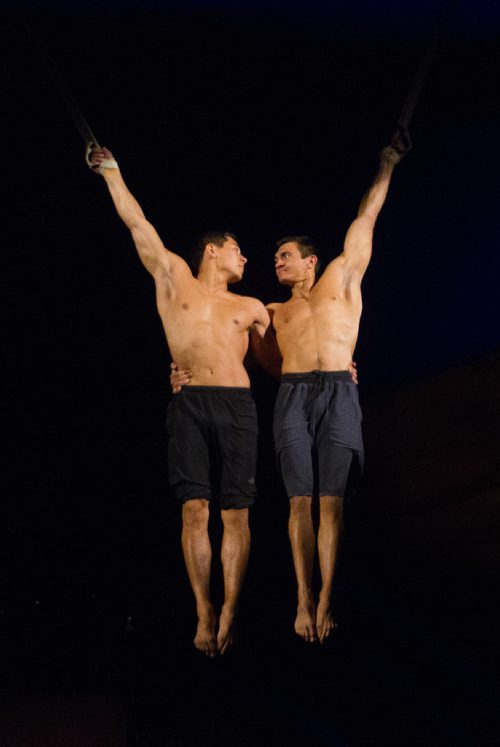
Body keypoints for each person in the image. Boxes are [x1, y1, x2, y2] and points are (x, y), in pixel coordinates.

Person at [170, 133, 409, 644]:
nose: (275, 262)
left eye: (284, 257)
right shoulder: (272, 313)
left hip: (337, 392)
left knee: (332, 500)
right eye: (274, 257)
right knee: (299, 500)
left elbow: (366, 219)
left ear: (310, 261)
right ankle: (303, 596)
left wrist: (386, 164)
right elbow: (240, 357)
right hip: (294, 395)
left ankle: (328, 596)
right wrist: (181, 371)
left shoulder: (343, 278)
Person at [89, 147, 270, 656]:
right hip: (189, 403)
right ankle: (203, 609)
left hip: (237, 406)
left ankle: (231, 607)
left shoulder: (252, 306)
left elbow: (290, 352)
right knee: (195, 510)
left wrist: (340, 366)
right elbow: (136, 223)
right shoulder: (173, 278)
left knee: (236, 514)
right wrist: (111, 171)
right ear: (212, 250)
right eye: (238, 249)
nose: (246, 257)